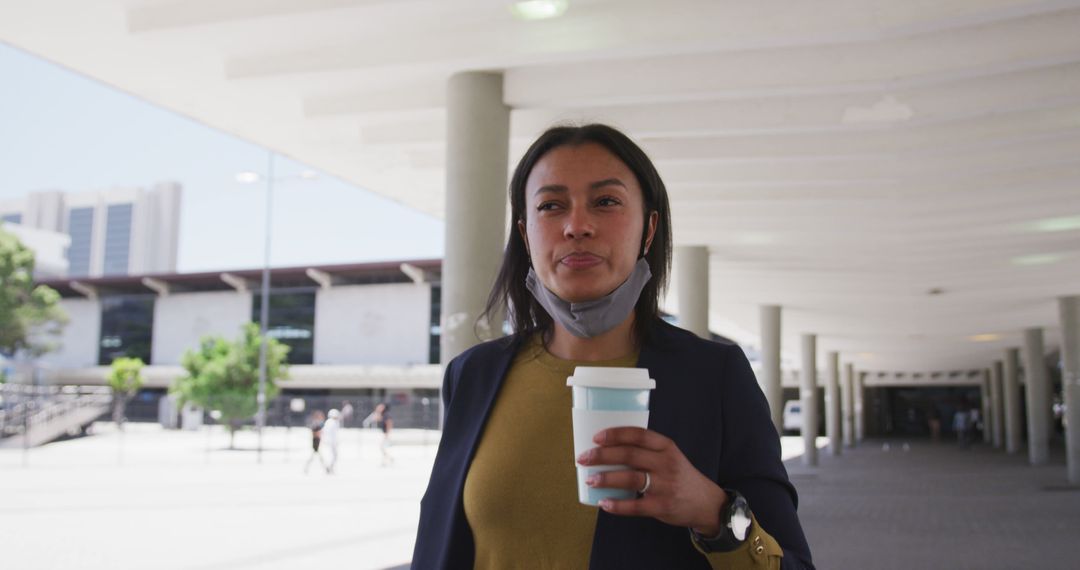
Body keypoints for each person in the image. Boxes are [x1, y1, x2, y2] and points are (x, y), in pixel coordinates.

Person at [412, 124, 813, 569]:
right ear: (526, 237)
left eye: (606, 202)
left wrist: (715, 512)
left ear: (649, 228)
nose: (577, 226)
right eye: (551, 205)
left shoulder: (716, 377)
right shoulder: (473, 374)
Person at [303, 410, 327, 474]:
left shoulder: (317, 424)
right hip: (316, 442)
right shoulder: (316, 425)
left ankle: (326, 468)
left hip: (317, 441)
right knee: (316, 456)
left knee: (316, 456)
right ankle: (326, 468)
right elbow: (316, 433)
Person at [322, 408, 341, 474]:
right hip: (331, 442)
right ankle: (329, 467)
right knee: (332, 455)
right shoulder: (333, 422)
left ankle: (330, 467)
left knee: (333, 455)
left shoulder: (329, 422)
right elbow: (332, 434)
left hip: (329, 441)